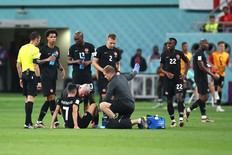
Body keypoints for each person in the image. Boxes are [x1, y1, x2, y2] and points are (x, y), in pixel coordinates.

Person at [67, 31, 99, 127]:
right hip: (76, 76)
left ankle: (95, 122)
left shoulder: (90, 46)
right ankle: (77, 119)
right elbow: (68, 62)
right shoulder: (72, 48)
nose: (76, 41)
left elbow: (96, 59)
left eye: (78, 39)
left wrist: (88, 62)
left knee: (91, 98)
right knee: (75, 98)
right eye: (75, 39)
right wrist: (76, 61)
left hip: (87, 75)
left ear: (82, 37)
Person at [35, 29, 66, 128]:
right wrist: (47, 59)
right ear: (47, 38)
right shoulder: (42, 49)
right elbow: (37, 61)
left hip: (53, 76)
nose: (53, 39)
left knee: (49, 99)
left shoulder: (57, 49)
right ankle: (55, 121)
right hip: (45, 76)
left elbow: (57, 61)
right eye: (51, 37)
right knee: (51, 97)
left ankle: (39, 121)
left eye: (54, 37)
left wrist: (61, 69)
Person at [185, 39, 219, 123]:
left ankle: (204, 117)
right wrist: (212, 74)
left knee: (202, 97)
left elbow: (203, 64)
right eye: (205, 43)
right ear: (200, 44)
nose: (207, 45)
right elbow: (200, 66)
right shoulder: (199, 53)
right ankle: (188, 110)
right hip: (201, 78)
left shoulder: (200, 53)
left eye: (207, 43)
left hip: (200, 77)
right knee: (205, 97)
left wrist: (210, 66)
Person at [100, 63, 142, 128]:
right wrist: (135, 71)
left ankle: (115, 119)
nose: (105, 77)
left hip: (123, 105)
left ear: (110, 73)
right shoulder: (123, 77)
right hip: (131, 106)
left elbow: (106, 99)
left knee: (102, 105)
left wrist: (99, 109)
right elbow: (131, 76)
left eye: (105, 75)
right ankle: (139, 121)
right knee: (122, 124)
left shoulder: (111, 83)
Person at [160, 38, 190, 127]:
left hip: (178, 79)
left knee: (179, 98)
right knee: (169, 101)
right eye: (167, 43)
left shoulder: (179, 53)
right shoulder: (164, 54)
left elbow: (188, 62)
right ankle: (173, 120)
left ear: (174, 44)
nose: (168, 44)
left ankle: (181, 119)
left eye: (170, 43)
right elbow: (161, 68)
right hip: (168, 81)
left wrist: (185, 74)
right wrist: (166, 73)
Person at [16, 31, 42, 129]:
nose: (39, 41)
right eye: (39, 39)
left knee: (27, 99)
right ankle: (27, 123)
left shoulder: (22, 48)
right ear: (36, 39)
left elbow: (18, 64)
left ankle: (29, 122)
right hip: (31, 75)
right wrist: (39, 80)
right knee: (31, 98)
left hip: (24, 74)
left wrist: (20, 78)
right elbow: (35, 65)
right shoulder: (35, 49)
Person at [92, 33, 121, 109]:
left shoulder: (116, 51)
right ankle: (105, 112)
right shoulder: (100, 50)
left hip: (113, 77)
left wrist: (118, 71)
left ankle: (112, 112)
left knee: (113, 96)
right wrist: (102, 70)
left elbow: (118, 63)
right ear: (107, 40)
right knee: (104, 95)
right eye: (110, 43)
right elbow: (94, 62)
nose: (112, 45)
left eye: (114, 43)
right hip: (103, 76)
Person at [207, 41, 230, 112]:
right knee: (216, 88)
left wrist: (229, 65)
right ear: (218, 46)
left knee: (220, 89)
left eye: (224, 46)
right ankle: (218, 105)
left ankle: (218, 104)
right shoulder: (214, 54)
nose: (223, 47)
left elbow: (227, 63)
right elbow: (208, 61)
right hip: (215, 73)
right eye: (221, 46)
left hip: (222, 74)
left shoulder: (226, 55)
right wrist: (213, 66)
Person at [152, 43, 167, 108]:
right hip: (162, 74)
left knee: (167, 89)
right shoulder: (162, 55)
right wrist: (159, 69)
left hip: (167, 74)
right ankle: (160, 102)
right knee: (159, 87)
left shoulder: (170, 55)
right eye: (163, 47)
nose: (164, 48)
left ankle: (171, 103)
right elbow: (161, 65)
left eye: (165, 47)